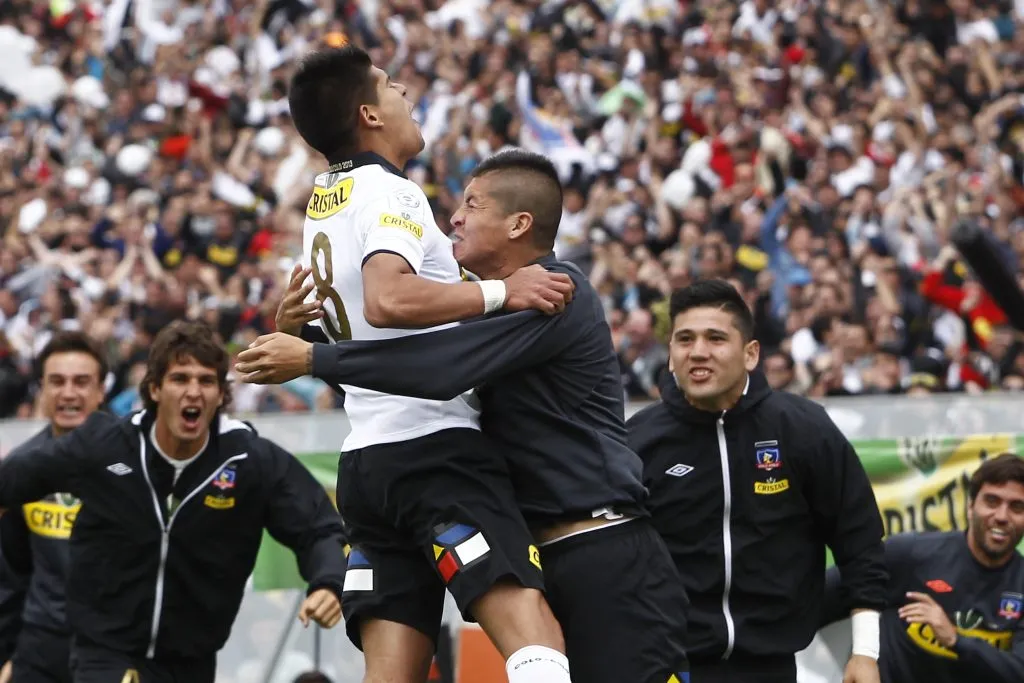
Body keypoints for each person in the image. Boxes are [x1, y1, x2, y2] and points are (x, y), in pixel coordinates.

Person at [236, 148, 691, 683]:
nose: (454, 216)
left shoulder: (554, 290)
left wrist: (313, 357)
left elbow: (436, 368)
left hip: (601, 551)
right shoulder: (487, 305)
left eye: (472, 205)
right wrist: (307, 331)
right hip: (537, 555)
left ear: (520, 223)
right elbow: (400, 371)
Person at [281, 46, 573, 683]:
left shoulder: (323, 201)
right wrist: (504, 290)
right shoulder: (392, 191)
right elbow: (388, 300)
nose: (405, 91)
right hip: (433, 452)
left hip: (366, 464)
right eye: (390, 86)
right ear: (369, 115)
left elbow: (342, 316)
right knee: (534, 635)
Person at [0, 320, 347, 683]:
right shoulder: (106, 445)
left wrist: (327, 582)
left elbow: (317, 526)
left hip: (191, 660)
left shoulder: (247, 461)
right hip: (104, 653)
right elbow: (14, 479)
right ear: (155, 388)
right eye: (180, 379)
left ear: (220, 394)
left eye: (206, 380)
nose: (193, 392)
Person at [625, 280, 888, 683]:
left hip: (772, 666)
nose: (698, 352)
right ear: (671, 354)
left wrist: (866, 652)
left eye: (715, 338)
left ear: (750, 354)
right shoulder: (639, 441)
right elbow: (614, 561)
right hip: (665, 666)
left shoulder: (804, 429)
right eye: (685, 339)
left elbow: (860, 540)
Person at [822, 452, 1024, 683]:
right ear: (970, 506)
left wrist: (956, 640)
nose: (1001, 516)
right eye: (992, 501)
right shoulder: (911, 553)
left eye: (1017, 507)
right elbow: (819, 600)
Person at [0, 333, 108, 683]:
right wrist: (8, 655)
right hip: (39, 649)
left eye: (81, 382)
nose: (68, 393)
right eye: (57, 382)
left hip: (112, 649)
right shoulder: (19, 468)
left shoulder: (133, 466)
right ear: (42, 390)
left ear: (100, 391)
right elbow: (12, 576)